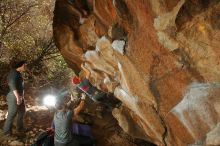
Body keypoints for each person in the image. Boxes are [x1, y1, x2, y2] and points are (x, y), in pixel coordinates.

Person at [3, 60, 27, 135]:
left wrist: (22, 97)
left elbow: (21, 87)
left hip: (19, 96)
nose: (26, 67)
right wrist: (18, 97)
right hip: (13, 96)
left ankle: (20, 128)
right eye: (25, 65)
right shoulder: (13, 73)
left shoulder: (18, 74)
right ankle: (6, 132)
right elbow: (12, 85)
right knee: (12, 114)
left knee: (22, 111)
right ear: (22, 65)